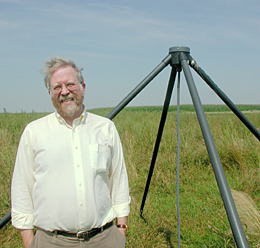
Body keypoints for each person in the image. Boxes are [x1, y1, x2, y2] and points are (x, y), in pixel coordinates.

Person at [11, 56, 131, 248]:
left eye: (70, 84)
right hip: (52, 241)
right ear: (50, 92)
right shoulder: (34, 132)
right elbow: (21, 191)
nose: (64, 92)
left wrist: (121, 230)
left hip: (104, 239)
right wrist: (29, 242)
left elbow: (119, 181)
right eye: (57, 87)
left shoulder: (105, 128)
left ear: (83, 86)